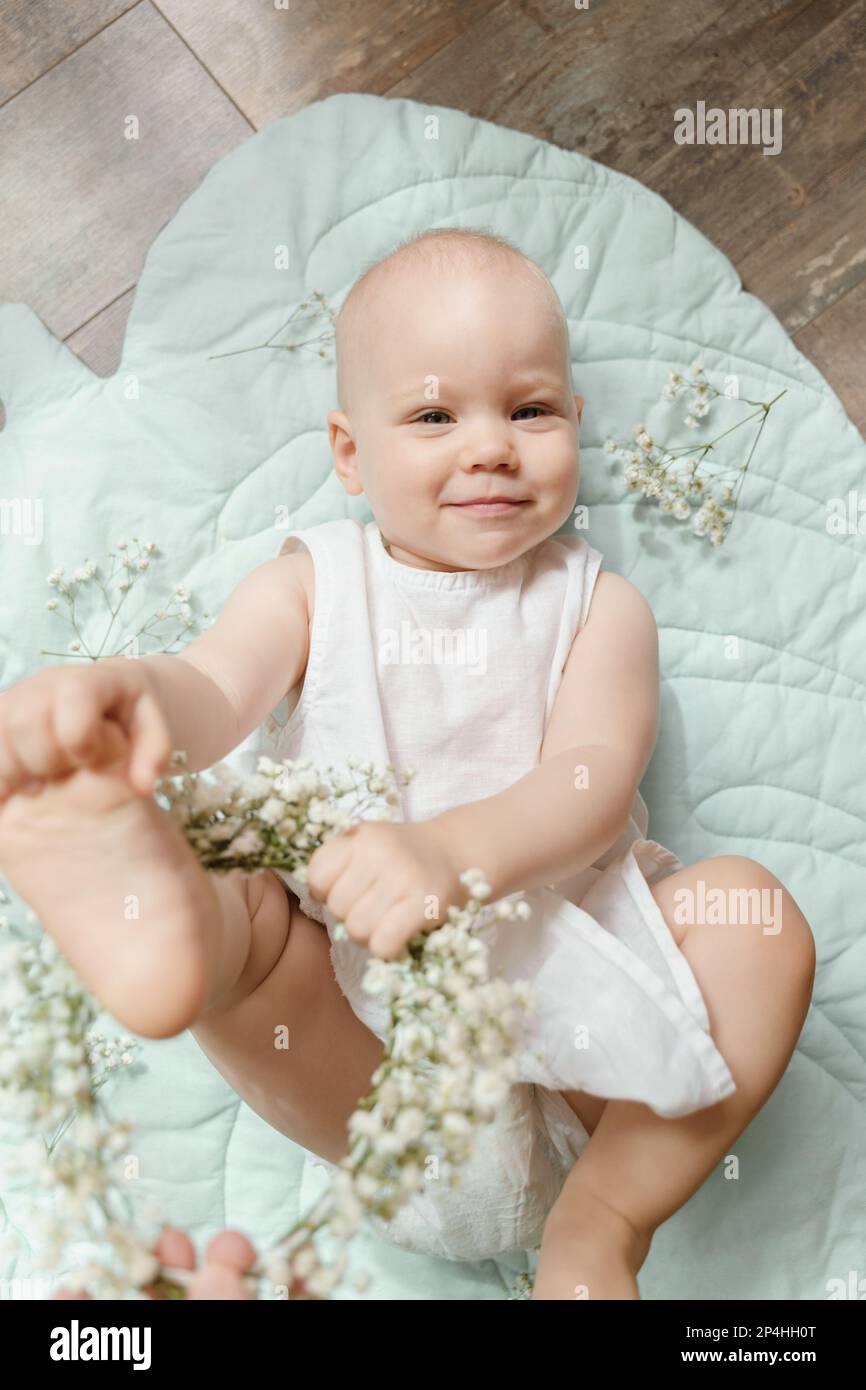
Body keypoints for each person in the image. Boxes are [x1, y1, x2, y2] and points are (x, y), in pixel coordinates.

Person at [0, 228, 815, 1299]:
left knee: (755, 920)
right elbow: (211, 692)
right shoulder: (309, 586)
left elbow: (590, 780)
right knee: (220, 858)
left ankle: (601, 1229)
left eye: (527, 409)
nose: (487, 446)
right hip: (366, 1059)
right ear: (349, 452)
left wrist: (447, 853)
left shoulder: (597, 606)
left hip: (598, 1044)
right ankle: (163, 940)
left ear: (573, 423)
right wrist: (127, 705)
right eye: (434, 416)